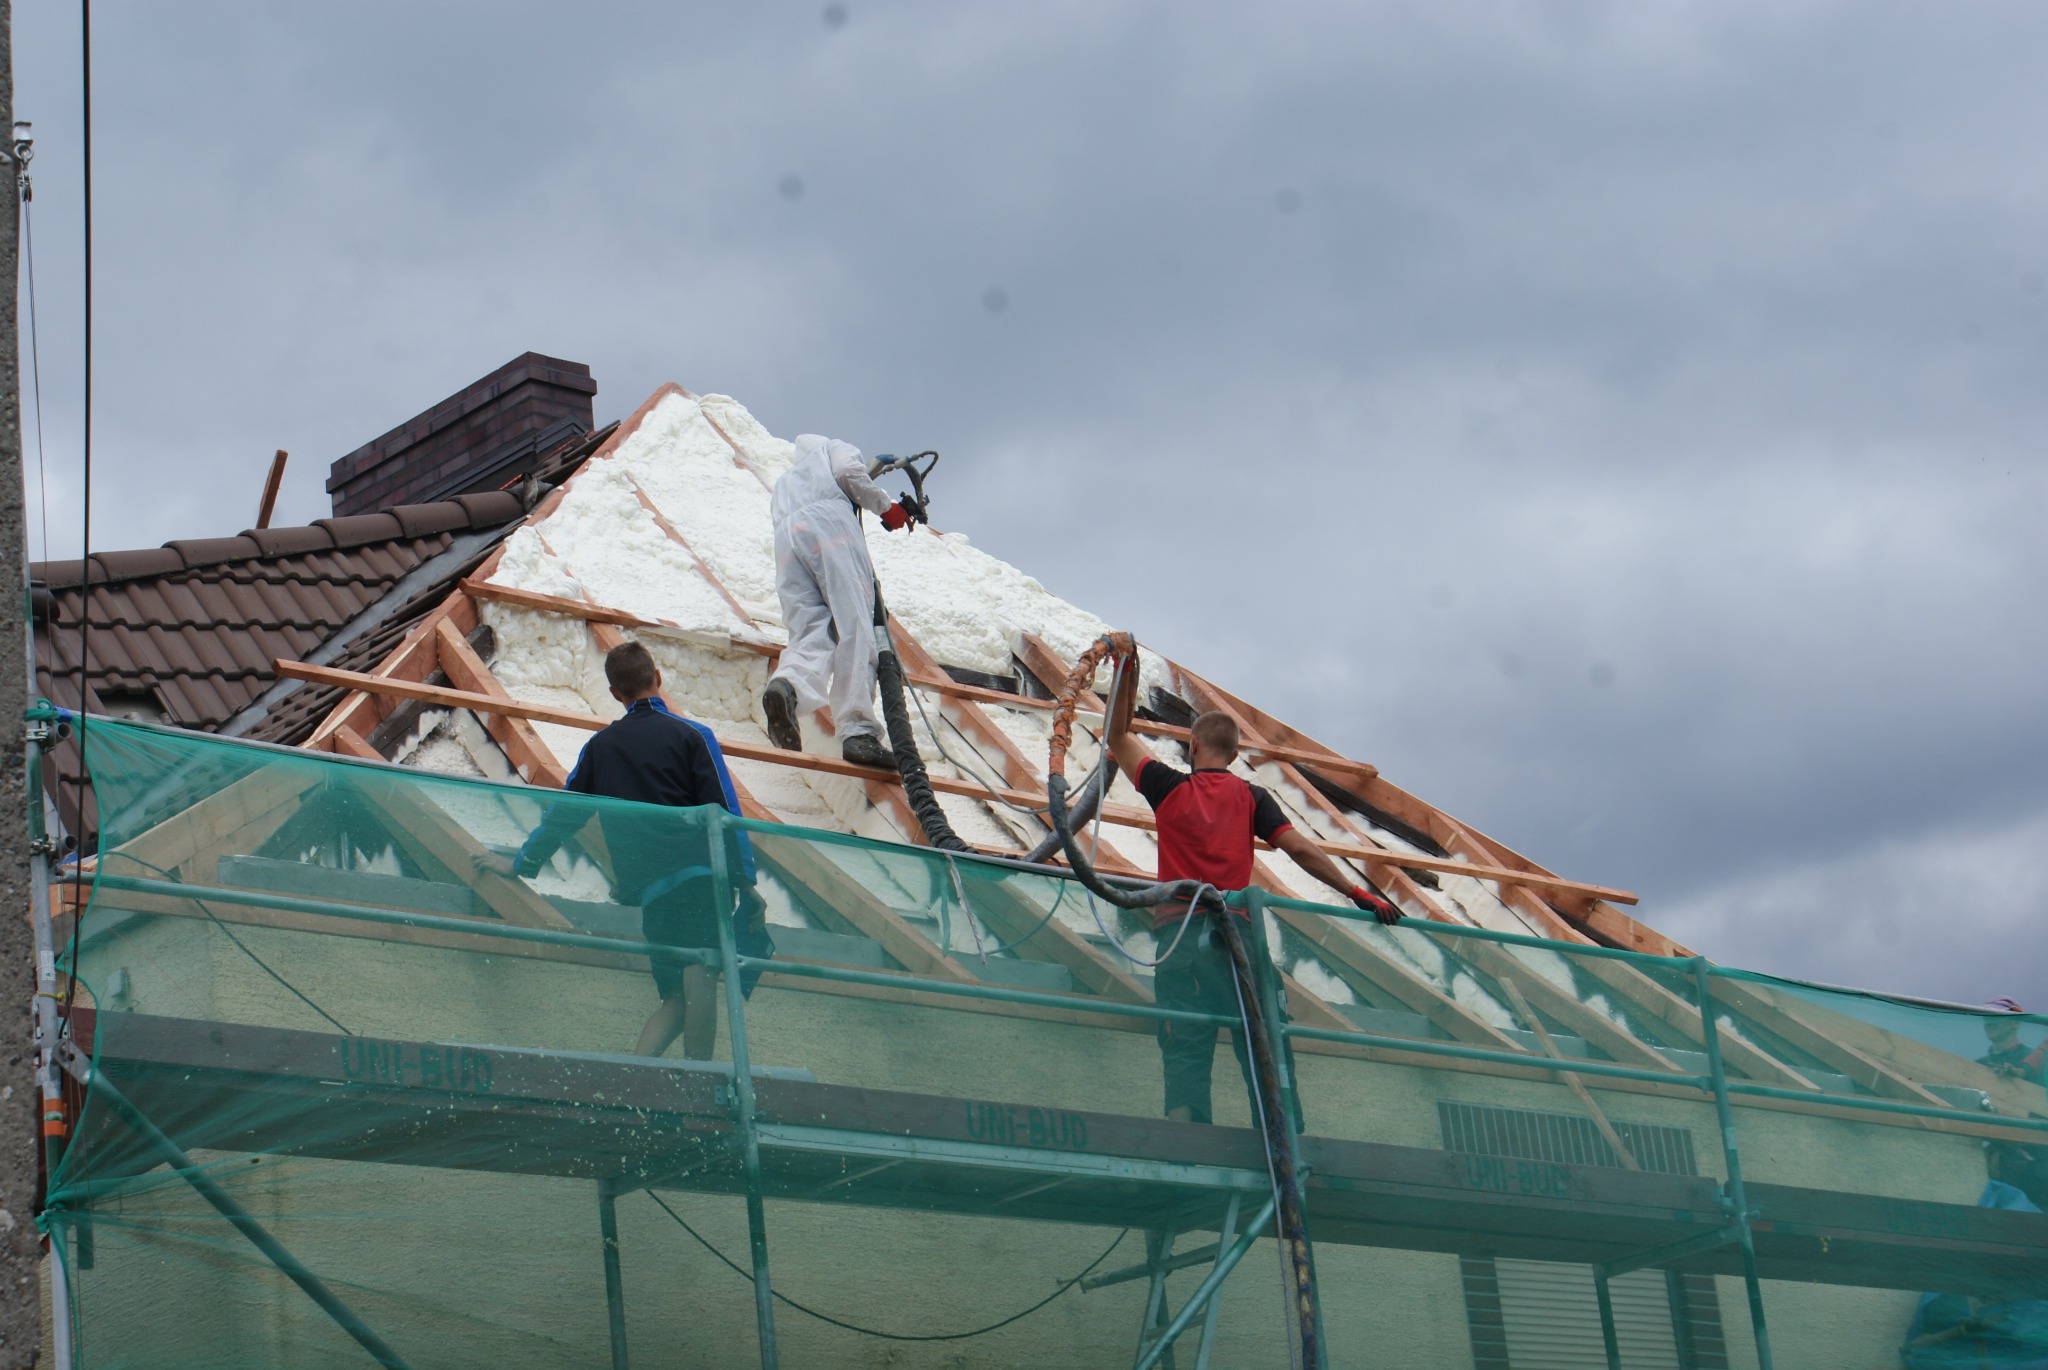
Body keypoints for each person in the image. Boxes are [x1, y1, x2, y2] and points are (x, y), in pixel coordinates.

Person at [1105, 670, 1400, 1126]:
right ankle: (1282, 1148)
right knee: (1263, 1044)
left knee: (1184, 1047)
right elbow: (1300, 848)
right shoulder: (1252, 797)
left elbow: (1116, 732)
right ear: (1236, 754)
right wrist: (1357, 892)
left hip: (1180, 940)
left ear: (1193, 747)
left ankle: (1187, 1148)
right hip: (1237, 937)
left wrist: (1127, 667)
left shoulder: (1168, 788)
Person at [502, 641, 767, 1060]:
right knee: (700, 980)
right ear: (657, 678)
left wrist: (522, 863)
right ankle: (701, 1089)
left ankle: (634, 1078)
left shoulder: (601, 747)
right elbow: (724, 815)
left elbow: (565, 814)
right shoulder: (692, 736)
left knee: (676, 999)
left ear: (614, 693)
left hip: (652, 892)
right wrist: (746, 882)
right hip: (699, 882)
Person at [762, 434, 921, 769]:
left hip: (787, 540)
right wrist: (887, 507)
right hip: (830, 528)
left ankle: (787, 685)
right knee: (856, 626)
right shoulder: (834, 449)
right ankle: (858, 732)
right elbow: (849, 471)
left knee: (810, 631)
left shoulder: (785, 482)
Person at [1980, 998, 2047, 1085]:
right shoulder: (1978, 1064)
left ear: (2015, 1022)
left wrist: (2021, 1071)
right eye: (1986, 1016)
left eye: (1994, 1016)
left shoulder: (2041, 1062)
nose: (1988, 1022)